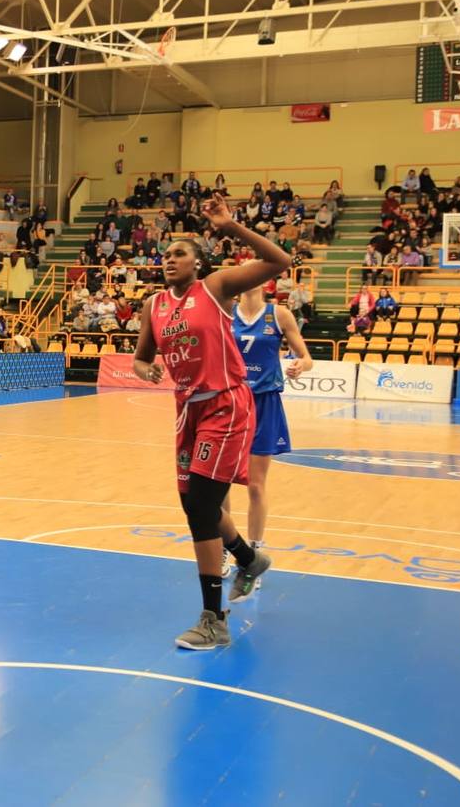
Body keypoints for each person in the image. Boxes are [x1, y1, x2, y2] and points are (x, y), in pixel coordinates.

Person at [131, 192, 289, 649]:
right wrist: (148, 370)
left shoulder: (215, 288)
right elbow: (142, 359)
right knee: (193, 505)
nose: (169, 259)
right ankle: (248, 558)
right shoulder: (154, 306)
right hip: (188, 409)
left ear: (198, 263)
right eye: (165, 254)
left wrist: (232, 226)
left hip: (226, 401)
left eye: (179, 253)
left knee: (202, 505)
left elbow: (279, 260)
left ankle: (213, 619)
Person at [224, 276, 312, 594]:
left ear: (265, 281)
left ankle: (254, 556)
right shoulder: (226, 311)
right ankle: (225, 549)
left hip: (264, 402)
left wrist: (299, 365)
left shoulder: (280, 315)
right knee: (220, 482)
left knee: (255, 485)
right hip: (230, 401)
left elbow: (306, 357)